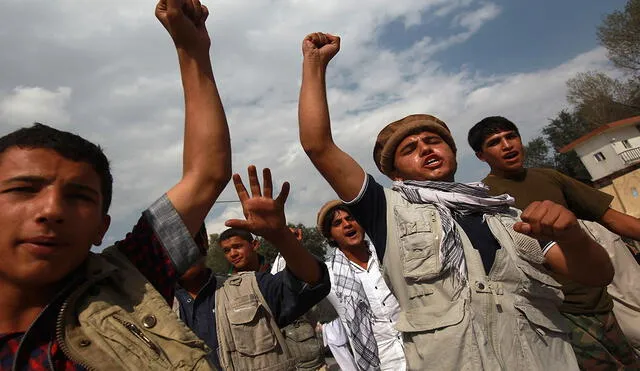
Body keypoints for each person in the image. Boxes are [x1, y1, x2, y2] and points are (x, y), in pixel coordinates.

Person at [297, 32, 615, 370]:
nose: (425, 148)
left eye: (433, 141)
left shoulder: (506, 212)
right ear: (395, 175)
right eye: (410, 149)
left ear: (452, 153)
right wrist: (315, 64)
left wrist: (574, 238)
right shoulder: (385, 210)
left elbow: (597, 274)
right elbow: (318, 145)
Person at [0, 0, 231, 368]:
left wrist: (192, 51)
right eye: (24, 189)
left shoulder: (129, 280)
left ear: (101, 227)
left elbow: (207, 175)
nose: (52, 210)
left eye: (78, 196)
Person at [468, 115, 640, 366]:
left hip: (602, 301)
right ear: (481, 156)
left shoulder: (550, 178)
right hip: (557, 314)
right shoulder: (485, 198)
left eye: (511, 136)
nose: (507, 145)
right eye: (495, 142)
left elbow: (613, 219)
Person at [174, 166, 331, 370]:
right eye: (167, 245)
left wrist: (280, 236)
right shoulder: (153, 309)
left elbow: (312, 281)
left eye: (188, 239)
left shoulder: (252, 287)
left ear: (204, 241)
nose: (179, 251)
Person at [316, 200, 405, 371]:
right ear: (330, 235)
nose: (347, 224)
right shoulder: (330, 275)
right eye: (337, 223)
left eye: (351, 218)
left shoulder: (387, 255)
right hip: (381, 364)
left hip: (418, 351)